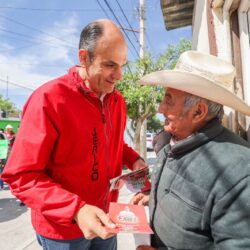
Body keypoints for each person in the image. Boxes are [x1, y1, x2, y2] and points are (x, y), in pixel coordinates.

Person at [2, 19, 146, 250]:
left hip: (107, 217)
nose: (118, 76)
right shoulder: (49, 99)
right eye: (110, 65)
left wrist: (133, 159)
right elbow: (21, 176)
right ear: (83, 57)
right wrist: (76, 209)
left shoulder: (116, 100)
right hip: (63, 231)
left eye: (122, 65)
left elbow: (113, 144)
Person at [131, 50, 250, 250]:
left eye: (168, 100)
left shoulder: (239, 173)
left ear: (198, 111)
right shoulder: (173, 140)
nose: (160, 108)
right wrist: (155, 199)